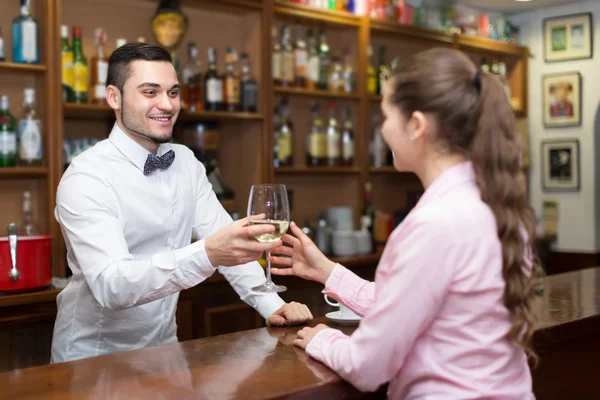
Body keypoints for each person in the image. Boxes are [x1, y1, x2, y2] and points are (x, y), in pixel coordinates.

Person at [271, 48, 542, 399]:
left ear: (416, 125)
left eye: (386, 117)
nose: (382, 130)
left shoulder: (434, 224)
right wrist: (328, 271)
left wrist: (324, 339)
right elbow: (412, 303)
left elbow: (367, 366)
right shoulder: (495, 204)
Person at [51, 43, 312, 363]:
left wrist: (272, 306)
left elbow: (228, 238)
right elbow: (111, 286)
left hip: (165, 350)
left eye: (173, 93)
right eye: (150, 92)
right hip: (94, 359)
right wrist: (207, 253)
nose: (166, 104)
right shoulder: (86, 177)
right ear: (114, 98)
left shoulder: (186, 162)